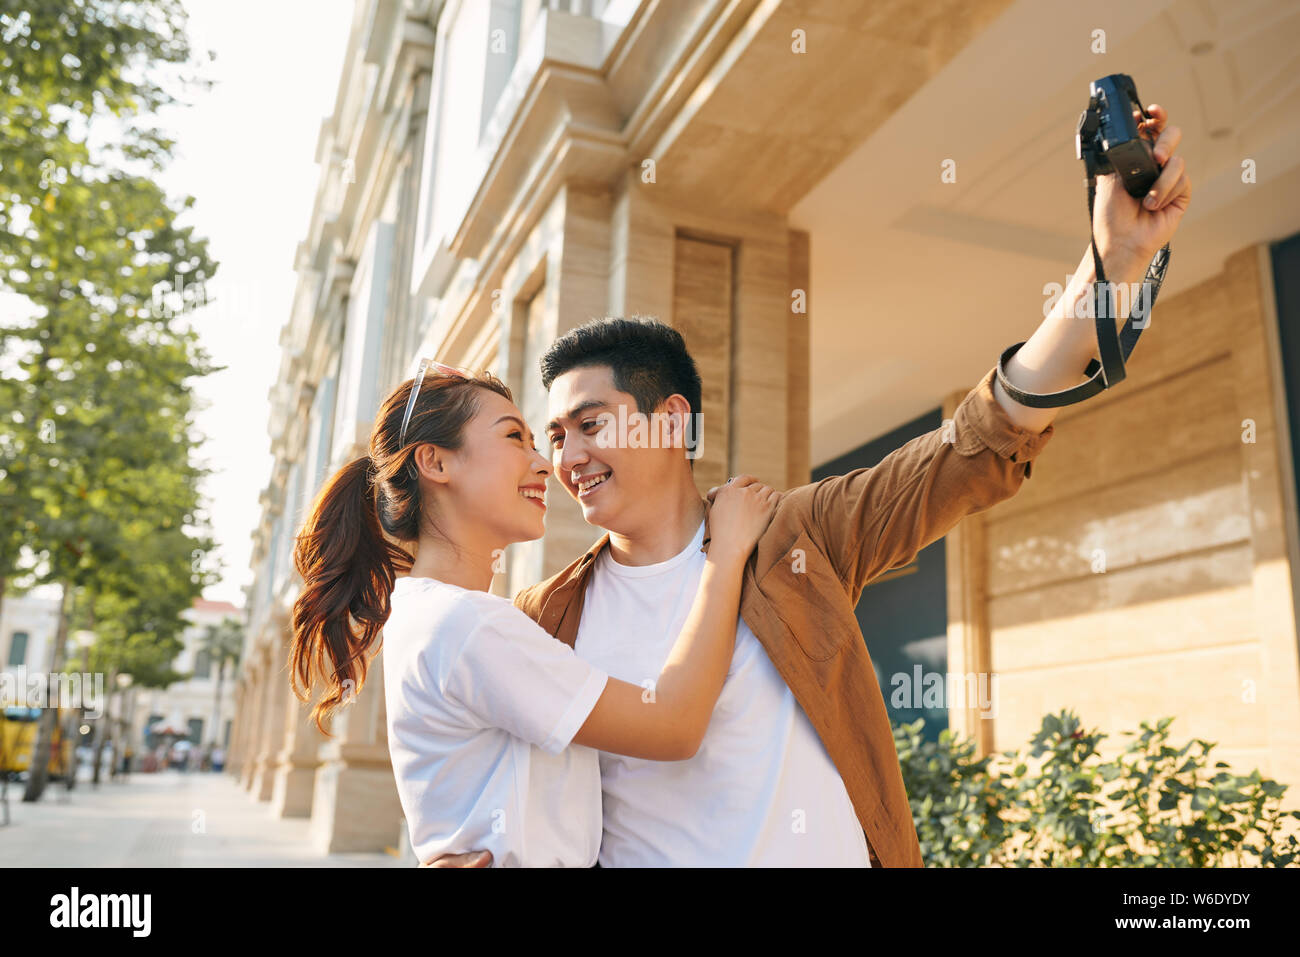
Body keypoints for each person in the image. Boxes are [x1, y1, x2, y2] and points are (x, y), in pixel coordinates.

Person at [426, 103, 1192, 867]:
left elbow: (976, 443)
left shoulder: (797, 536)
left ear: (669, 419)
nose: (567, 458)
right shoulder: (545, 615)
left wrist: (1110, 265)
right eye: (553, 436)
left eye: (590, 424)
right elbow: (487, 780)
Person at [288, 360, 779, 867]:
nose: (546, 463)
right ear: (435, 463)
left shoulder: (430, 614)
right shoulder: (469, 624)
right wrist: (726, 553)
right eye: (514, 439)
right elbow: (674, 724)